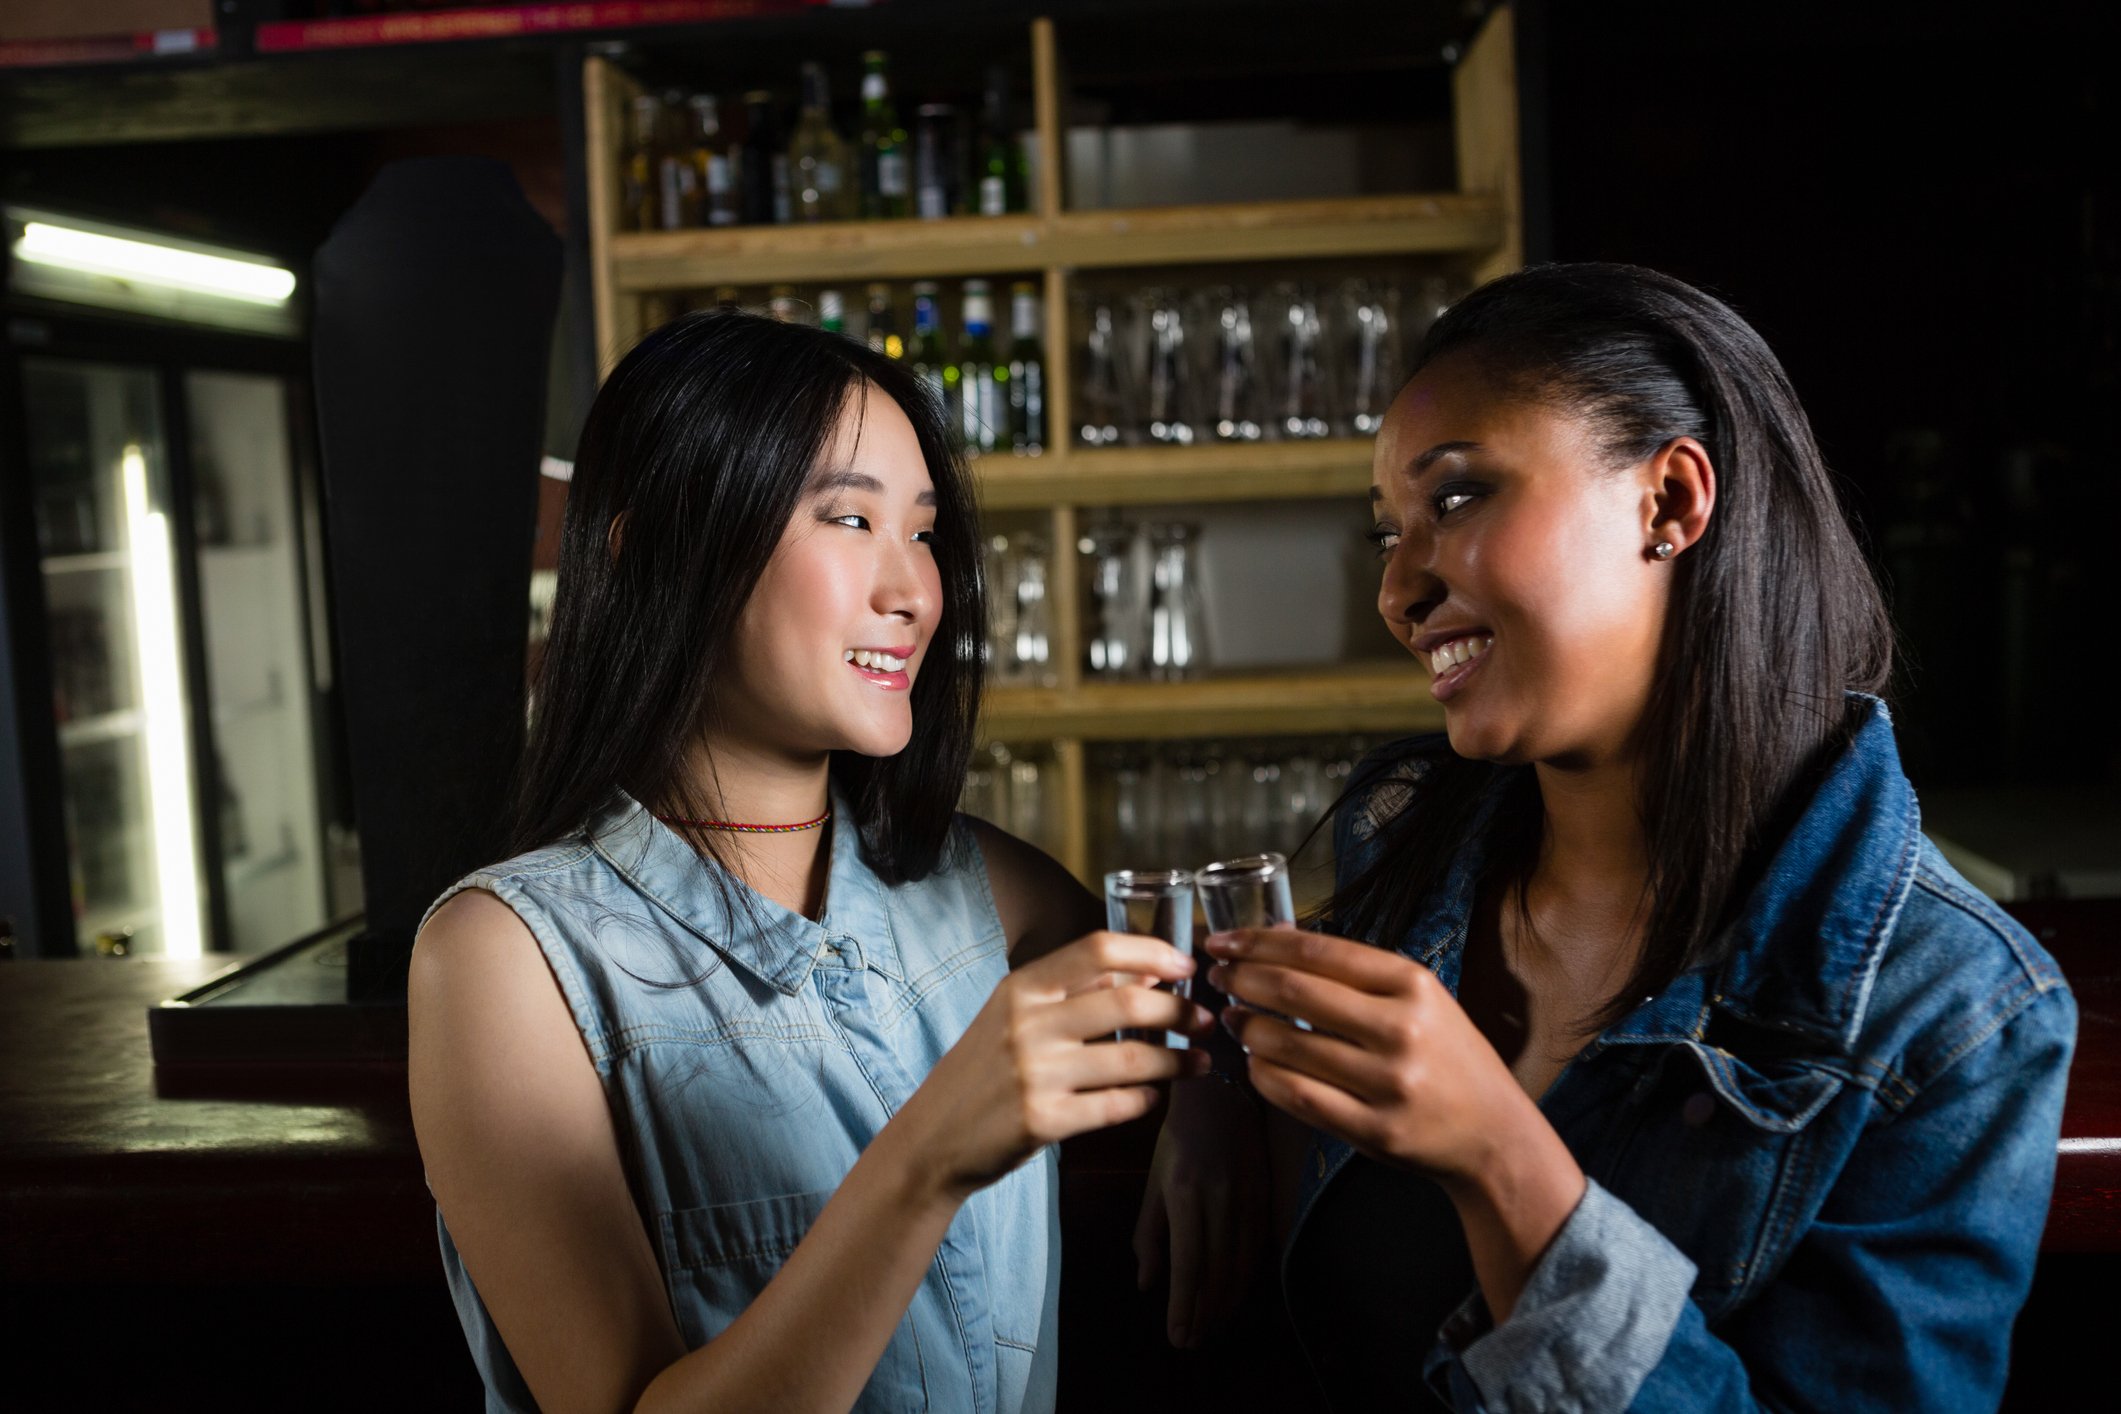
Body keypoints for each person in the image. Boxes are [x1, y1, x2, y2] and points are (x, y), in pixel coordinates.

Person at [1199, 263, 2076, 1411]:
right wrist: (1211, 1084)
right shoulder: (1401, 853)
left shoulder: (1954, 1015)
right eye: (1387, 533)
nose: (1399, 590)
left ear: (1670, 502)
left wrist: (1504, 1165)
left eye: (1455, 499)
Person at [408, 309, 1214, 1414]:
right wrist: (927, 1156)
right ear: (653, 547)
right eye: (848, 518)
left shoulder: (980, 887)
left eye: (923, 533)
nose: (915, 592)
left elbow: (1193, 992)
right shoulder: (505, 957)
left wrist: (1213, 1121)